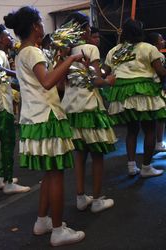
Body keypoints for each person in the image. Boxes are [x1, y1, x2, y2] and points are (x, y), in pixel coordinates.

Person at [4, 6, 85, 246]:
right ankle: (58, 230)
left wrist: (60, 60)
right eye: (40, 23)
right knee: (57, 174)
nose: (42, 26)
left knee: (50, 174)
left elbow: (46, 82)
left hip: (34, 118)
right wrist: (70, 58)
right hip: (47, 118)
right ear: (35, 27)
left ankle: (43, 221)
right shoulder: (34, 52)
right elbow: (49, 82)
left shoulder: (22, 53)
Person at [60, 12, 116, 213]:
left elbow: (60, 84)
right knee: (98, 154)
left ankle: (81, 196)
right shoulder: (90, 48)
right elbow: (95, 79)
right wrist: (108, 81)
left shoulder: (64, 52)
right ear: (84, 30)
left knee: (80, 154)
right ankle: (98, 198)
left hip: (70, 108)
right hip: (89, 106)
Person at [104, 19, 166, 177]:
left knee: (132, 130)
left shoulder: (114, 51)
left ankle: (131, 166)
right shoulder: (148, 48)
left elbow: (103, 72)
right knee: (149, 129)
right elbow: (161, 72)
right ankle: (146, 167)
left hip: (122, 94)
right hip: (143, 92)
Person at [0, 24, 30, 194]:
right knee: (9, 142)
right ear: (0, 40)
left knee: (6, 143)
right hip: (1, 105)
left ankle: (3, 177)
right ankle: (9, 182)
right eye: (7, 36)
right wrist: (17, 74)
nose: (11, 38)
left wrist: (20, 86)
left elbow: (1, 79)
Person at [146, 32, 166, 152]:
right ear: (154, 44)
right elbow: (162, 73)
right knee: (160, 117)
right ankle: (158, 142)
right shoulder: (158, 55)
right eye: (161, 40)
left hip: (149, 88)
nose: (163, 41)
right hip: (158, 88)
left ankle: (157, 142)